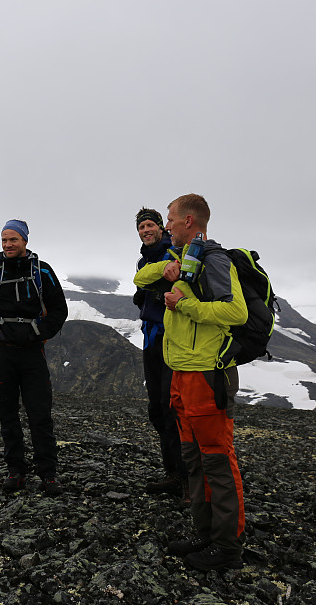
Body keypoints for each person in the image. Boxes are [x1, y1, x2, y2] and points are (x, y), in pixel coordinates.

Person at [133, 194, 249, 570]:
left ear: (189, 220)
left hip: (207, 373)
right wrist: (166, 270)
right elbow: (140, 277)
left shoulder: (213, 260)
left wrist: (184, 304)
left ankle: (227, 548)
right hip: (181, 371)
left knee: (216, 458)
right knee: (195, 458)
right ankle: (204, 531)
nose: (165, 226)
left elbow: (235, 311)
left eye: (169, 220)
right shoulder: (183, 258)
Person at [0, 219, 69, 496]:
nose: (8, 245)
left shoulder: (42, 271)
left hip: (32, 355)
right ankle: (16, 471)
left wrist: (39, 333)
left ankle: (48, 474)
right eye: (4, 240)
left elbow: (59, 309)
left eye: (13, 239)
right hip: (2, 354)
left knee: (40, 416)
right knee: (7, 416)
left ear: (25, 241)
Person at [132, 207, 188, 506]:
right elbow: (140, 280)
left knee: (173, 407)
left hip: (172, 340)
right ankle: (174, 472)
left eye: (150, 225)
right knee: (158, 407)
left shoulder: (175, 253)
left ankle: (189, 478)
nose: (145, 230)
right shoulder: (146, 259)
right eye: (141, 227)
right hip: (151, 339)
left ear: (162, 228)